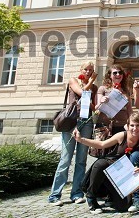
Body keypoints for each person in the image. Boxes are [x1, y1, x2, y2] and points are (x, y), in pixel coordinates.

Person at [74, 113, 139, 213]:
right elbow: (101, 144)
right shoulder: (122, 135)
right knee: (100, 164)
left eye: (138, 125)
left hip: (121, 175)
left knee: (123, 207)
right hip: (108, 167)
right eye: (132, 125)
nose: (135, 128)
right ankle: (91, 198)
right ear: (128, 126)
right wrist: (81, 139)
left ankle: (111, 196)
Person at [48, 61, 97, 206]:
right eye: (86, 69)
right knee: (66, 159)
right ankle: (54, 195)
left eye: (91, 70)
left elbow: (92, 106)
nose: (88, 72)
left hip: (86, 122)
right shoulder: (73, 81)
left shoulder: (93, 87)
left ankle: (76, 193)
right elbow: (82, 94)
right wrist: (92, 81)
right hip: (71, 122)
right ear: (81, 70)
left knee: (81, 161)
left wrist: (100, 105)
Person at [95, 64, 132, 135]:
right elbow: (97, 108)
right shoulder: (103, 88)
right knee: (103, 146)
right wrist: (101, 102)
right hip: (105, 125)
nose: (118, 74)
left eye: (120, 72)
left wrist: (131, 123)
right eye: (115, 73)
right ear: (110, 75)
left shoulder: (126, 91)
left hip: (122, 125)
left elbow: (129, 109)